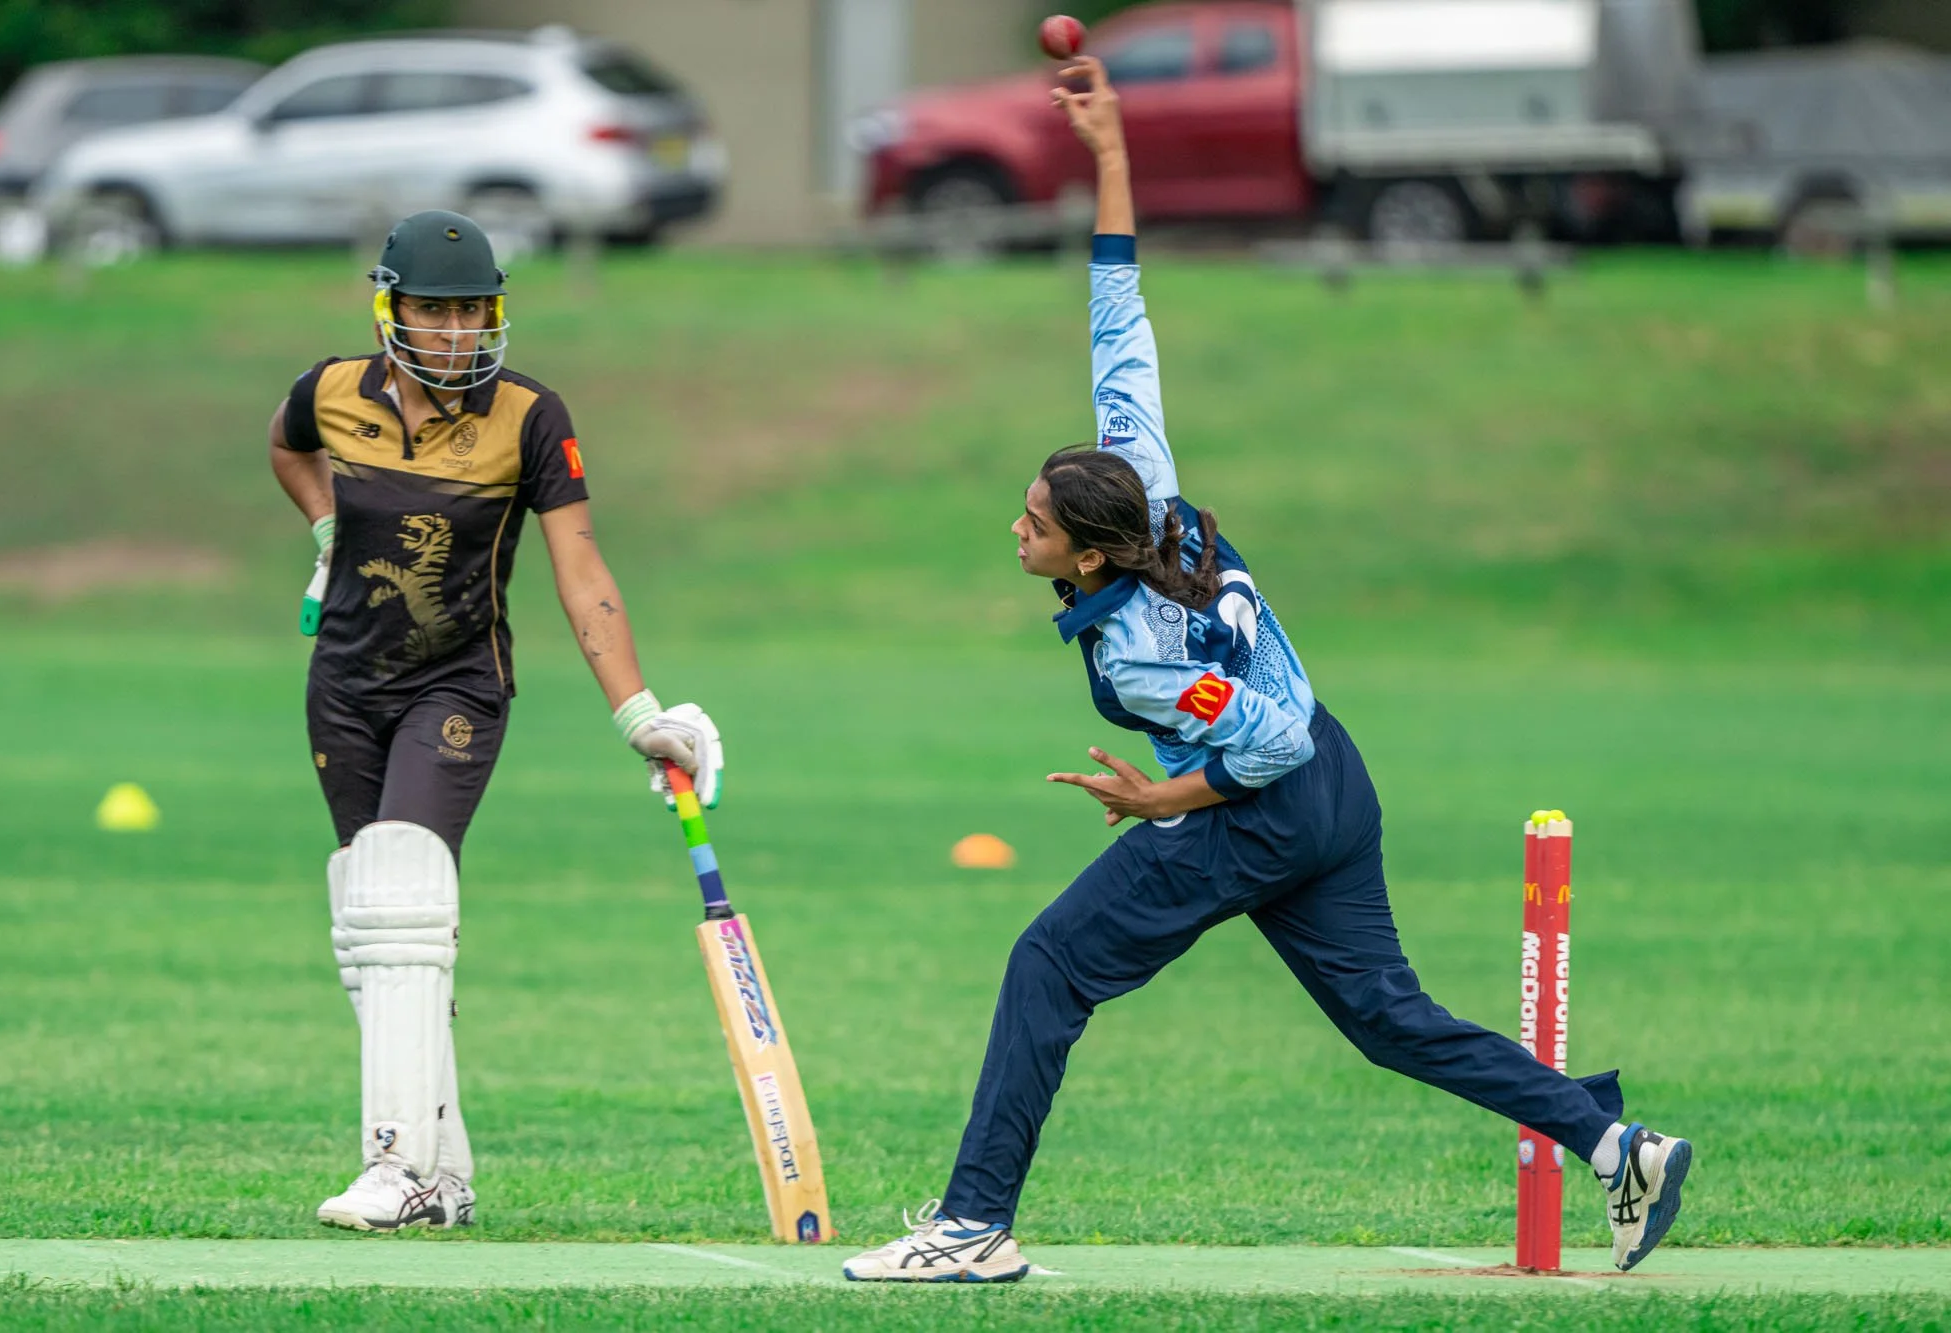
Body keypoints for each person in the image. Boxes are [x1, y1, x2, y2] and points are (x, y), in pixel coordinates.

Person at [841, 60, 1690, 1283]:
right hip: (1336, 781)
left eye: (1032, 524)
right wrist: (1108, 149)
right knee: (1387, 1020)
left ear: (1089, 553)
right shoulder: (1143, 481)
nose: (1013, 531)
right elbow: (1118, 313)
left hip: (1267, 802)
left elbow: (1262, 742)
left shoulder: (1134, 653)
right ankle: (1615, 1145)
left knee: (1048, 964)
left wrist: (1158, 799)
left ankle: (971, 1226)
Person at [269, 210, 722, 1230]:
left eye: (474, 310)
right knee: (372, 920)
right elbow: (287, 448)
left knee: (402, 886)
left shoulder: (529, 415)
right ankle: (445, 1175)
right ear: (391, 310)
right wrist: (328, 528)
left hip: (456, 684)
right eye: (436, 310)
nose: (457, 329)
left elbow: (581, 565)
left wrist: (637, 712)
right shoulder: (329, 391)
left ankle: (395, 1166)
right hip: (343, 683)